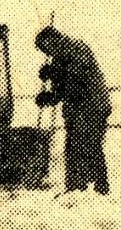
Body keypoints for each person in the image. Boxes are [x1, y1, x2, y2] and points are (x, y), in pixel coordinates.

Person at [35, 26, 111, 194]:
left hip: (93, 106)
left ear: (53, 40)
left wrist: (55, 73)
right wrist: (48, 97)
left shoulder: (77, 48)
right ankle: (75, 188)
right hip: (77, 109)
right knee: (73, 145)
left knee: (90, 145)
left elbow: (75, 81)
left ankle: (100, 188)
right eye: (44, 51)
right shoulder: (58, 58)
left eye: (46, 48)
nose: (47, 53)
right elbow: (61, 91)